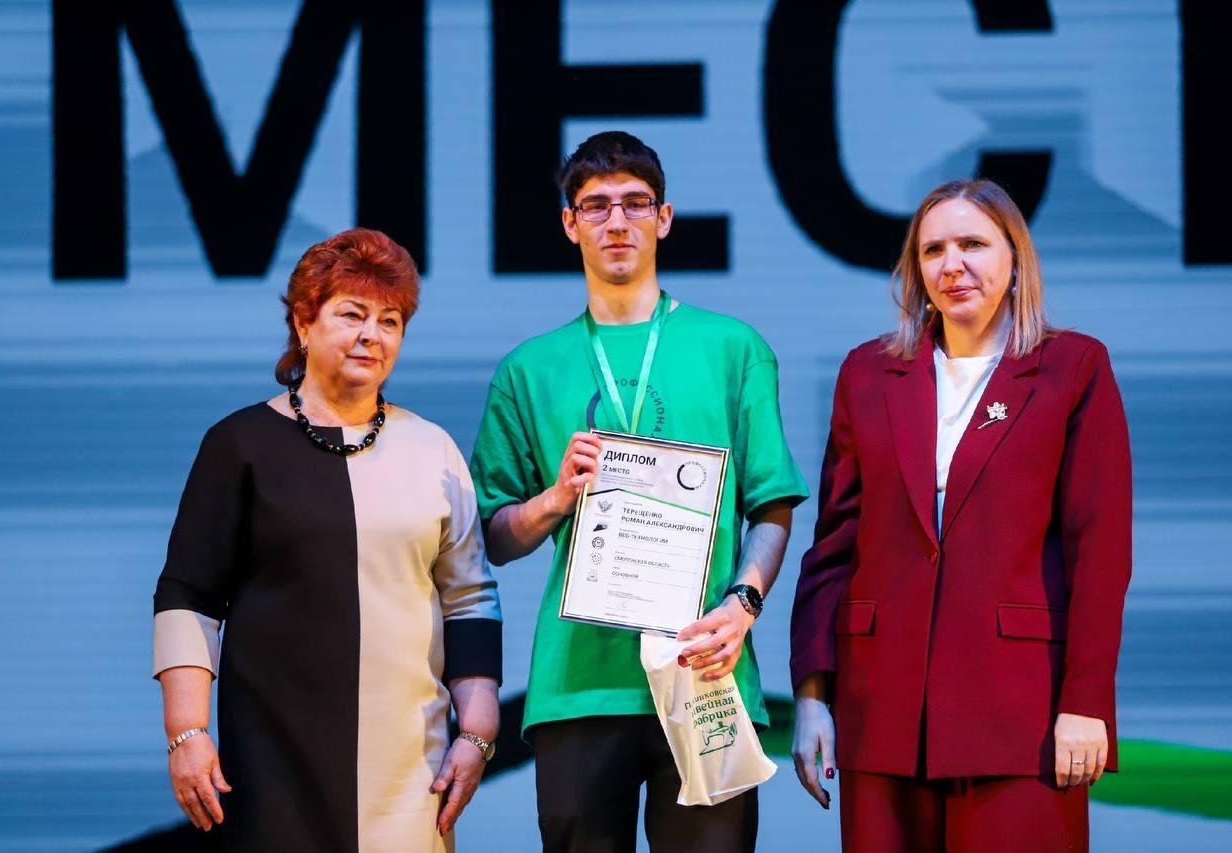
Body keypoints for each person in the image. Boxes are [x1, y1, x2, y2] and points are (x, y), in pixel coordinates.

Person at [470, 130, 808, 851]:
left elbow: (771, 506)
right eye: (596, 206)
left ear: (665, 217)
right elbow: (493, 536)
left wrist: (743, 606)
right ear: (570, 224)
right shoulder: (529, 369)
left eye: (635, 202)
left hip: (706, 670)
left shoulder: (734, 348)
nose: (617, 221)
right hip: (579, 684)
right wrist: (555, 498)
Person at [790, 179, 1132, 851]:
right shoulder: (868, 373)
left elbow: (1101, 550)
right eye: (933, 250)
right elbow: (833, 547)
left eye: (973, 244)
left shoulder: (1073, 366)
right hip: (881, 713)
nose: (953, 265)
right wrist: (811, 696)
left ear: (1014, 257)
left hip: (1022, 716)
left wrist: (1086, 702)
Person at [152, 228, 502, 853]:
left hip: (410, 767)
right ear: (304, 322)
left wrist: (477, 730)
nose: (372, 334)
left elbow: (470, 598)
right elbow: (188, 597)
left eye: (390, 320)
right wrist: (187, 731)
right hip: (270, 761)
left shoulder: (435, 450)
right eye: (352, 314)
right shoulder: (238, 445)